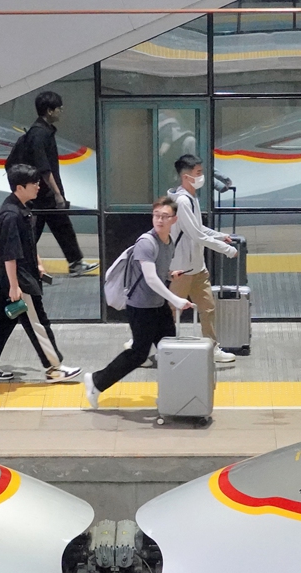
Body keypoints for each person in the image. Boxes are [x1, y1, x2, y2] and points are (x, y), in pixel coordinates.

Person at [84, 198, 194, 409]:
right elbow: (151, 278)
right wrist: (176, 299)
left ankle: (170, 395)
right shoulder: (146, 242)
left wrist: (171, 274)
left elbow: (158, 273)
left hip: (158, 305)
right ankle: (96, 382)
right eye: (156, 216)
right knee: (139, 354)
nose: (160, 220)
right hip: (141, 307)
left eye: (165, 216)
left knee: (169, 350)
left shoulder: (168, 241)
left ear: (174, 219)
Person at [0, 163, 82, 383]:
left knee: (2, 320)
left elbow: (27, 244)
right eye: (33, 183)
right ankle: (54, 368)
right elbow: (9, 254)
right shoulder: (11, 216)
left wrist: (39, 262)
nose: (38, 186)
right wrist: (15, 285)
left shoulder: (19, 208)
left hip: (19, 276)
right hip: (20, 280)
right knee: (38, 322)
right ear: (19, 187)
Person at [167, 154, 240, 364]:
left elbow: (198, 228)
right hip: (183, 269)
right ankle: (144, 345)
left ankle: (212, 347)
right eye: (198, 173)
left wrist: (218, 235)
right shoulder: (181, 201)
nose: (202, 177)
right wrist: (226, 249)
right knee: (170, 311)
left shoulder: (191, 198)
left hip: (198, 267)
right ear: (186, 176)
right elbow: (196, 235)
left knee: (208, 308)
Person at [18, 91, 98, 277]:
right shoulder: (39, 135)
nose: (61, 111)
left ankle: (75, 263)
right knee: (32, 233)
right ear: (49, 111)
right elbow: (44, 168)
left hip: (43, 195)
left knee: (62, 228)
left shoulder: (43, 132)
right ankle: (17, 265)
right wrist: (57, 193)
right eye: (58, 108)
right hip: (41, 196)